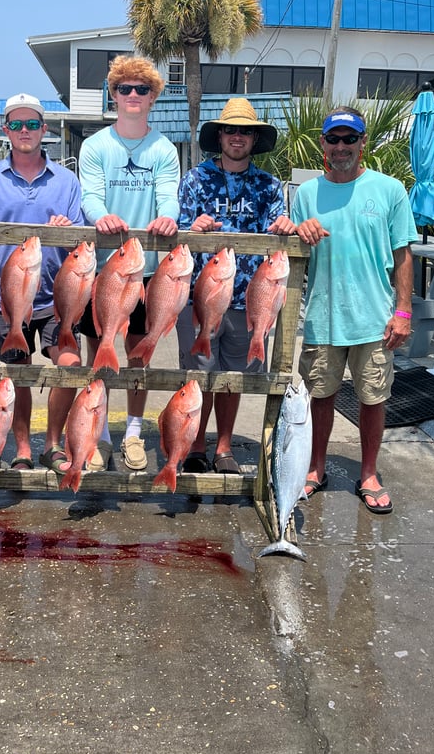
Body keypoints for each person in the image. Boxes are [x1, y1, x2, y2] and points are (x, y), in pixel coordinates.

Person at [0, 93, 85, 474]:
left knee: (70, 366)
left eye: (33, 124)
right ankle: (23, 447)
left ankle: (53, 443)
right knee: (18, 373)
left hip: (57, 294)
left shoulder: (67, 180)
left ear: (45, 129)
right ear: (6, 130)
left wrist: (67, 229)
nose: (25, 131)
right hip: (5, 297)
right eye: (17, 124)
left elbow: (78, 231)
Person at [290, 107, 418, 514]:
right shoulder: (306, 194)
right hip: (323, 317)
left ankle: (368, 472)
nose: (341, 147)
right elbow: (290, 252)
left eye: (350, 139)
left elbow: (403, 253)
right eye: (334, 139)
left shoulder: (390, 189)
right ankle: (315, 467)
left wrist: (403, 311)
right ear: (322, 144)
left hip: (374, 318)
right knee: (320, 396)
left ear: (364, 142)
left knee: (373, 397)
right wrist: (297, 230)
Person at [176, 98, 297, 474]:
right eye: (230, 130)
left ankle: (224, 446)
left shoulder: (270, 185)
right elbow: (180, 229)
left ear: (255, 138)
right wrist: (192, 228)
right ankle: (196, 443)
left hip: (251, 299)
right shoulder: (195, 179)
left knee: (234, 378)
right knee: (199, 373)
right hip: (203, 295)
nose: (237, 137)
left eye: (245, 131)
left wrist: (283, 228)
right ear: (220, 136)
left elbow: (280, 226)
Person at [78, 55, 180, 470]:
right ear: (113, 95)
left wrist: (169, 214)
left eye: (142, 89)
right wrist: (98, 215)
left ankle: (133, 432)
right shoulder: (95, 145)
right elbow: (90, 195)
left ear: (153, 97)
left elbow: (169, 193)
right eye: (125, 88)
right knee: (98, 353)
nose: (133, 95)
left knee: (140, 356)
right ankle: (99, 434)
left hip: (148, 272)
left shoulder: (164, 148)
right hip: (103, 269)